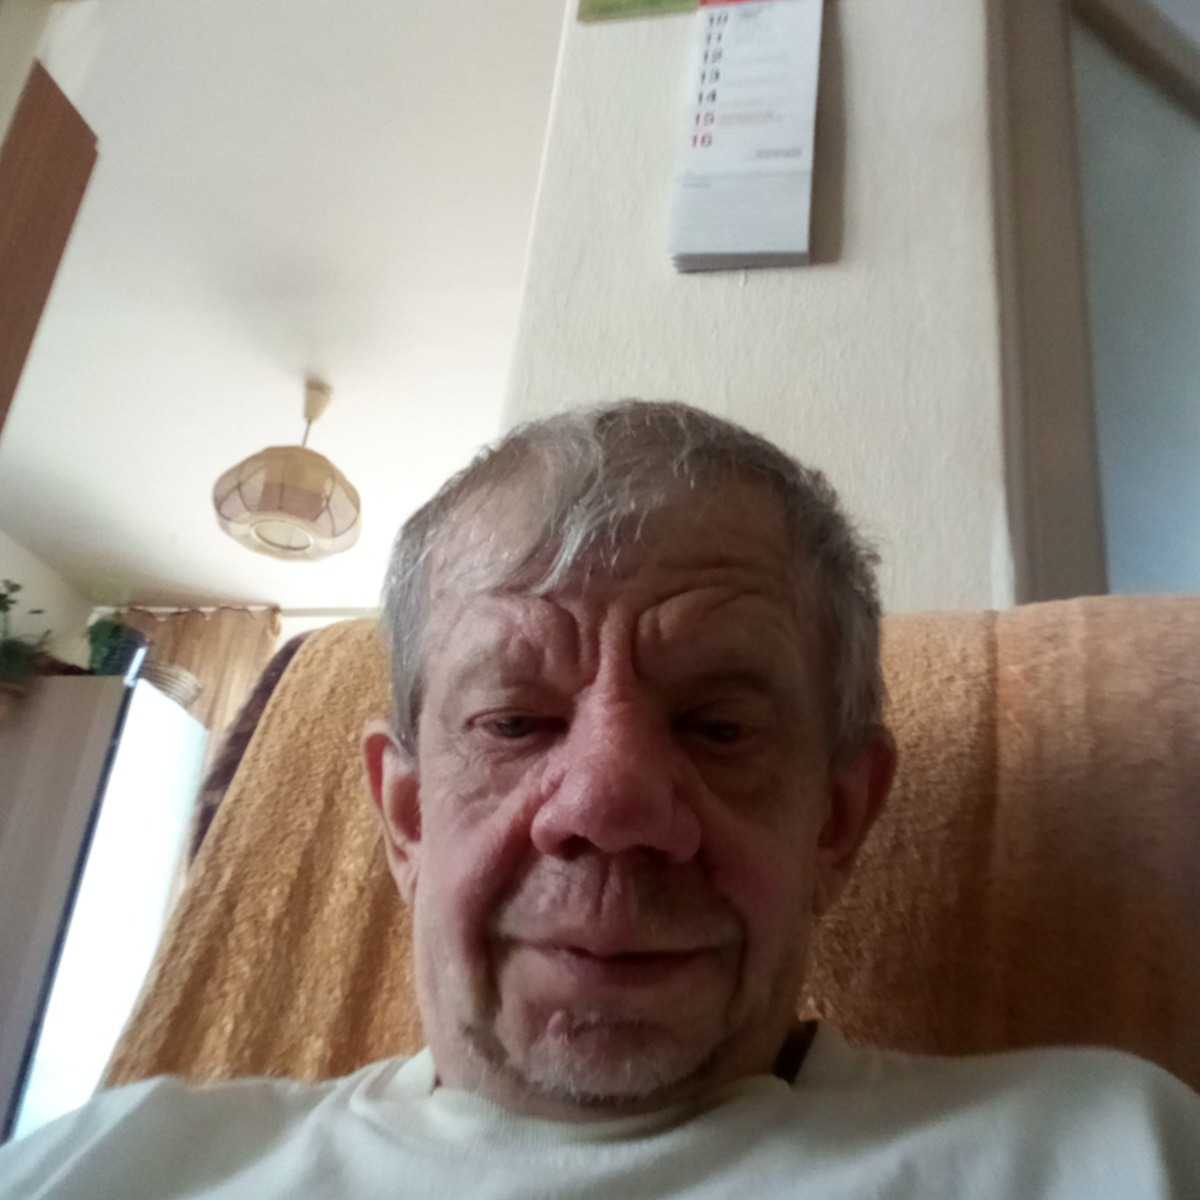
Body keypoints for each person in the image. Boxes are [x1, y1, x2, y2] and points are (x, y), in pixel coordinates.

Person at [2, 400, 1197, 1197]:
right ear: (406, 817)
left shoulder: (1111, 1155)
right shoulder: (116, 1165)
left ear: (838, 820)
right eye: (514, 722)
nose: (610, 806)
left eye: (720, 727)